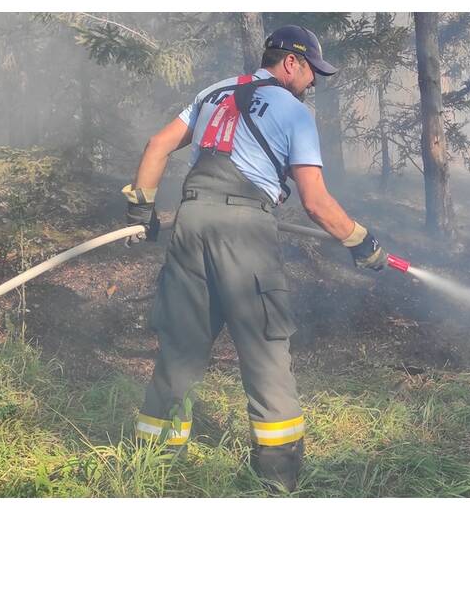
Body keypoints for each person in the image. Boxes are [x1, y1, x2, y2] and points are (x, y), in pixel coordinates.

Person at [122, 25, 387, 492]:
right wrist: (361, 243)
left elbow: (157, 145)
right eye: (311, 72)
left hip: (190, 223)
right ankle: (278, 477)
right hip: (245, 231)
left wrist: (142, 210)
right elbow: (316, 202)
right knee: (265, 348)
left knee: (181, 343)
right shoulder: (295, 113)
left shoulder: (213, 92)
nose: (314, 83)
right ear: (291, 62)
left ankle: (152, 464)